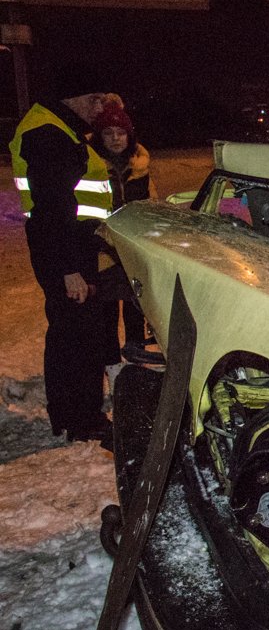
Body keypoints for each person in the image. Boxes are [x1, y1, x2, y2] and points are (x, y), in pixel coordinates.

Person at [9, 71, 114, 449]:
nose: (100, 107)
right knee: (77, 337)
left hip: (73, 249)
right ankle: (82, 419)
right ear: (72, 97)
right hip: (67, 253)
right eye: (95, 98)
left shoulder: (60, 128)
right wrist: (69, 269)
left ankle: (73, 415)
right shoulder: (48, 134)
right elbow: (52, 210)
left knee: (74, 333)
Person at [90, 100, 159, 364]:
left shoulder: (141, 167)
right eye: (108, 133)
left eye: (121, 132)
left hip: (133, 251)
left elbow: (152, 207)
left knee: (135, 311)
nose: (116, 138)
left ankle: (136, 363)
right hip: (102, 253)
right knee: (106, 316)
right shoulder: (90, 166)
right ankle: (112, 367)